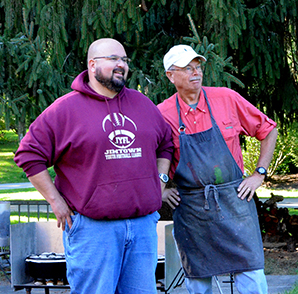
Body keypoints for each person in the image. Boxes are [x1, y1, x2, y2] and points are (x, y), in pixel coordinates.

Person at [14, 38, 173, 294]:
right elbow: (29, 155)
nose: (121, 65)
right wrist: (55, 201)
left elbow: (166, 143)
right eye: (113, 59)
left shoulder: (143, 105)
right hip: (93, 230)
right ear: (92, 64)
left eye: (124, 59)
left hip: (143, 227)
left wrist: (160, 180)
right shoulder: (65, 110)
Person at [157, 45, 278, 294]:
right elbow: (151, 156)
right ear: (171, 75)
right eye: (187, 68)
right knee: (198, 277)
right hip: (191, 209)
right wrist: (161, 191)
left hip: (235, 200)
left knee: (251, 271)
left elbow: (268, 130)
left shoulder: (226, 98)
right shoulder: (161, 114)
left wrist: (259, 174)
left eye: (198, 67)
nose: (195, 73)